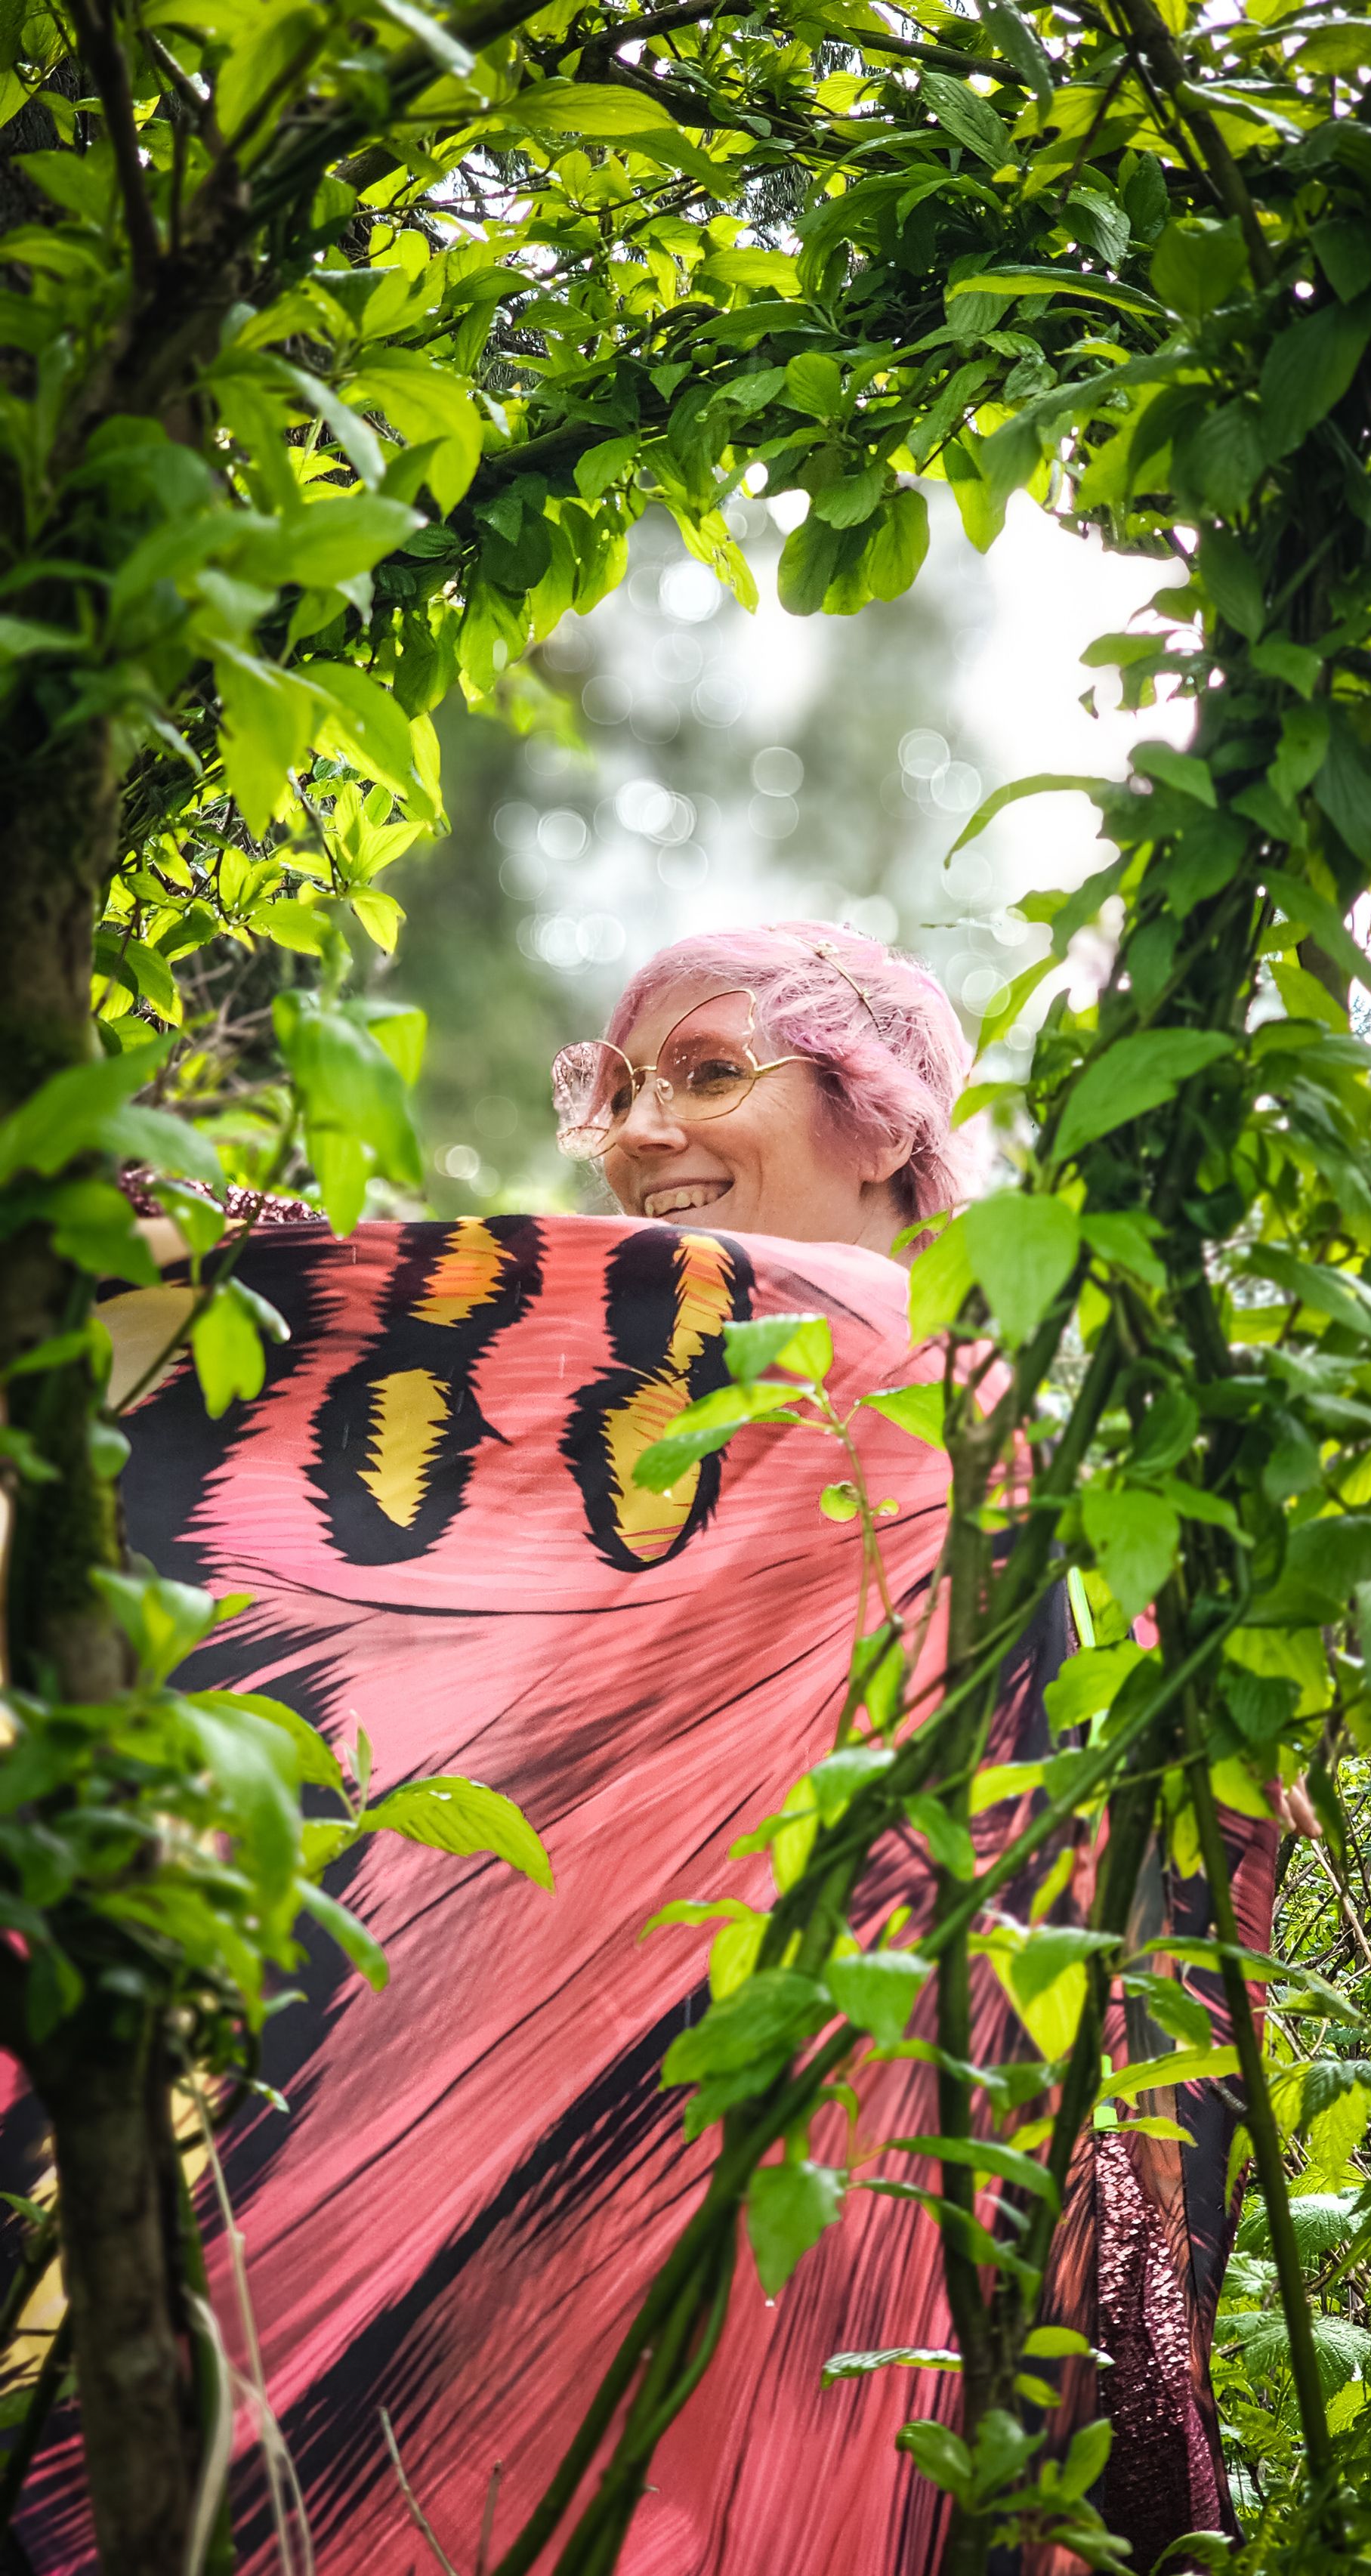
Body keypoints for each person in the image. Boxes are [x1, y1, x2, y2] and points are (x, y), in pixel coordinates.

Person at [0, 921, 1274, 2576]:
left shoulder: (940, 1372)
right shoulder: (645, 1394)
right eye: (616, 1084)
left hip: (824, 2170)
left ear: (883, 1114)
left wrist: (236, 1290)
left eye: (708, 1072)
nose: (640, 1127)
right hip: (500, 2136)